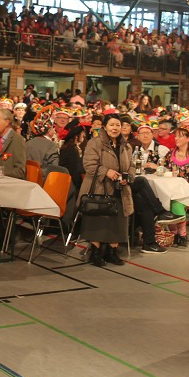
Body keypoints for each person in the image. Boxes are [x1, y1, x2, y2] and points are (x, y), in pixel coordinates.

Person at [78, 114, 132, 267]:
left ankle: (111, 252)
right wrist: (106, 172)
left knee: (118, 221)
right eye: (111, 125)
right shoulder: (95, 143)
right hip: (99, 188)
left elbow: (132, 165)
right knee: (98, 220)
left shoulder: (125, 145)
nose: (115, 128)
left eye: (117, 125)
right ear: (104, 127)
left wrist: (128, 177)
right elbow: (88, 164)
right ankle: (95, 253)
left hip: (119, 188)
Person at [156, 126, 189, 249]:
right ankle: (177, 233)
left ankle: (180, 233)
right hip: (172, 190)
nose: (176, 138)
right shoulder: (171, 153)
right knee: (165, 198)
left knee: (175, 200)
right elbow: (164, 170)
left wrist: (178, 181)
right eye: (176, 135)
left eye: (180, 136)